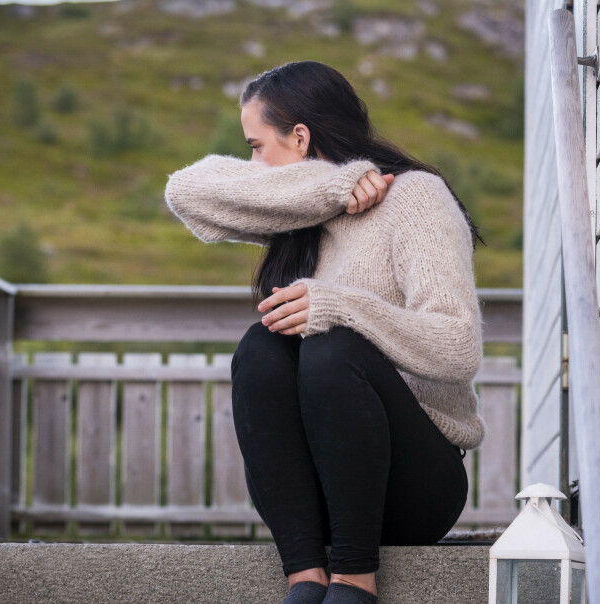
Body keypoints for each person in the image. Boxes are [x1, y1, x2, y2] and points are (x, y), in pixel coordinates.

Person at [163, 60, 486, 604]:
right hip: (319, 503)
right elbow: (185, 191)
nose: (252, 163)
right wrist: (333, 184)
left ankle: (355, 580)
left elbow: (458, 346)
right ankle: (305, 577)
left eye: (256, 145)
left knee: (334, 345)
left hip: (414, 487)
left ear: (300, 136)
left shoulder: (415, 197)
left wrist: (340, 306)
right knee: (261, 345)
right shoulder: (302, 214)